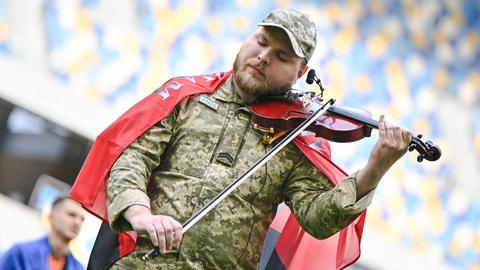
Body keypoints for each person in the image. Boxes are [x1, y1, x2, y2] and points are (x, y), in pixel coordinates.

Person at [70, 8, 412, 269]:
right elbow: (132, 158)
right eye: (262, 42)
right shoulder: (187, 97)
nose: (263, 57)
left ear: (301, 73)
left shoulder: (295, 139)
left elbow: (318, 218)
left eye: (281, 57)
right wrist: (142, 214)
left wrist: (375, 168)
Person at [0, 196, 85, 270]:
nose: (77, 222)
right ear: (51, 217)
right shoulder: (20, 253)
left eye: (82, 219)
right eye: (71, 215)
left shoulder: (78, 268)